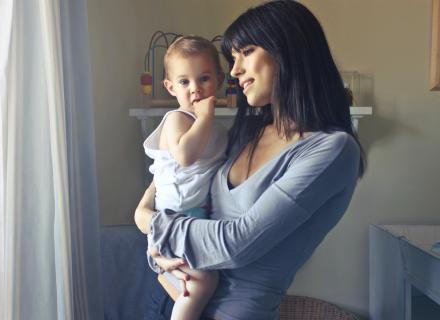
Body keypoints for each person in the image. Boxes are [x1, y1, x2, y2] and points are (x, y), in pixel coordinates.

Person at [135, 1, 367, 319]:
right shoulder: (249, 131)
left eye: (246, 52)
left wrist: (151, 223)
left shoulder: (333, 150)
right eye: (232, 58)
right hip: (175, 295)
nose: (234, 70)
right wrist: (154, 243)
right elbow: (174, 179)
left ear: (287, 49)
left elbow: (237, 243)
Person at [136, 35, 228, 320]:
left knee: (203, 282)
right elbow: (185, 156)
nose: (195, 89)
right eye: (185, 82)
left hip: (194, 217)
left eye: (204, 79)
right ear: (170, 87)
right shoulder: (177, 119)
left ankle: (170, 284)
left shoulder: (217, 130)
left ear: (219, 80)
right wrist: (205, 118)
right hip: (172, 218)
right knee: (204, 282)